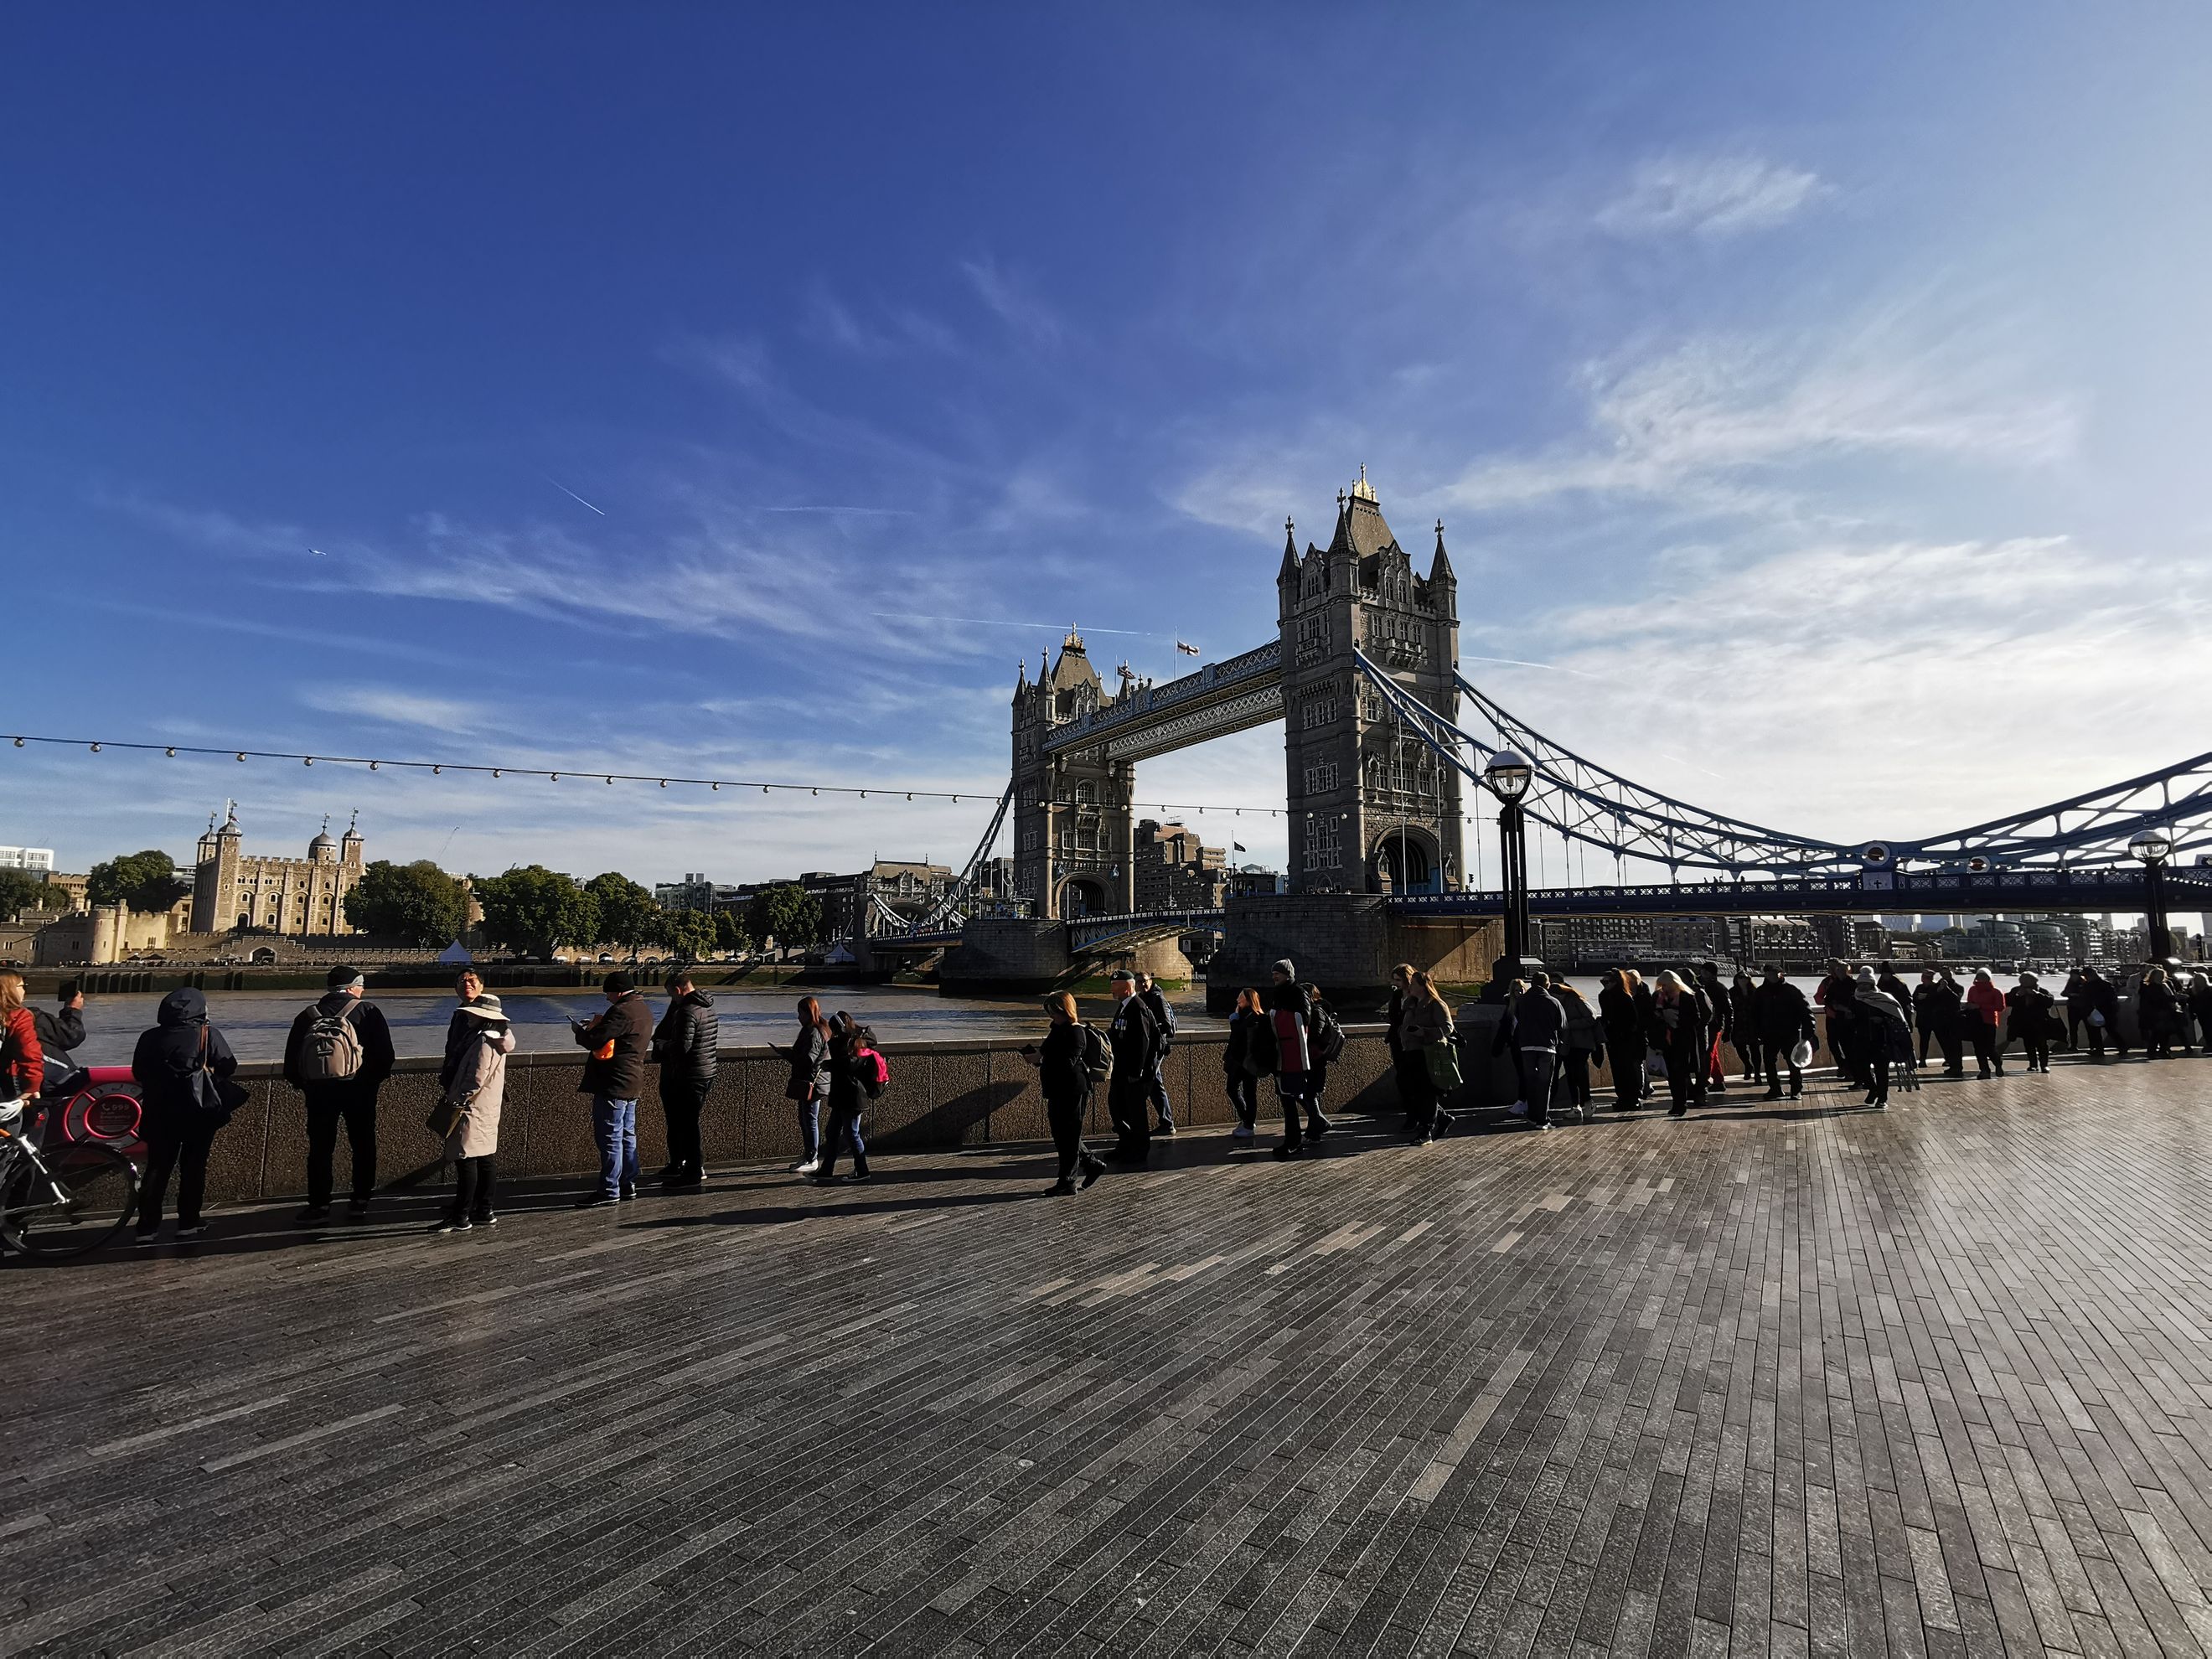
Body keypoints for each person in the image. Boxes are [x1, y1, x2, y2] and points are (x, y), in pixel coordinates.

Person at [282, 965, 396, 1225]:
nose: (363, 990)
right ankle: (360, 1201)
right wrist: (369, 1083)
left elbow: (291, 1061)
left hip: (320, 1093)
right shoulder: (368, 1011)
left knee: (320, 1149)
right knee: (363, 1145)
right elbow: (385, 1056)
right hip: (359, 1091)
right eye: (361, 985)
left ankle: (319, 1204)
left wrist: (308, 1085)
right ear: (352, 988)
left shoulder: (308, 1015)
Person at [130, 988, 235, 1243]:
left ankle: (147, 1226)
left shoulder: (149, 1037)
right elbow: (229, 1066)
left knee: (157, 1167)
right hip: (196, 1111)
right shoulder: (207, 1034)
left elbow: (138, 1071)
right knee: (194, 1166)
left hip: (158, 1111)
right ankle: (188, 1222)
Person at [432, 991, 515, 1233]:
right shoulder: (499, 1039)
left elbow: (475, 1079)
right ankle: (485, 1210)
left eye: (474, 1015)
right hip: (487, 1108)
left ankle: (461, 1216)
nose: (469, 1017)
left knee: (465, 1160)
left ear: (485, 1018)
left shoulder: (484, 1041)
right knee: (486, 1159)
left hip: (471, 1109)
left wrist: (457, 1100)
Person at [572, 971, 654, 1207]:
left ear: (618, 991)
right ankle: (627, 1184)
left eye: (608, 992)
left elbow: (595, 1041)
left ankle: (609, 1189)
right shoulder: (644, 1010)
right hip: (632, 1080)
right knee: (627, 1135)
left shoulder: (621, 1011)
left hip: (614, 1082)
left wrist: (581, 1031)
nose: (607, 997)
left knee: (610, 1138)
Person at [1021, 991, 1107, 1194]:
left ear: (1065, 1010)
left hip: (1073, 1089)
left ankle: (1067, 1182)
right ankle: (1092, 1163)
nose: (1052, 1017)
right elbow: (1046, 1054)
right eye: (1050, 1013)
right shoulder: (1057, 1029)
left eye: (1054, 1012)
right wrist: (1035, 1057)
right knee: (1063, 1135)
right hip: (1056, 1088)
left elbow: (1067, 1062)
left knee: (1068, 1135)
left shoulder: (1077, 1032)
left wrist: (1044, 1059)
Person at [651, 971, 719, 1187]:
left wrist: (662, 1045)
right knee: (688, 1122)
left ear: (678, 990)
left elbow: (682, 1047)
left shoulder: (686, 1012)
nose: (672, 999)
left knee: (688, 1124)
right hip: (705, 1071)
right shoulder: (708, 1008)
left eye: (671, 994)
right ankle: (686, 1166)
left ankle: (693, 1170)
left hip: (689, 1074)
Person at [1264, 961, 1326, 1159]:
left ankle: (1294, 1141)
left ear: (1287, 975)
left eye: (1278, 974)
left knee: (1290, 1099)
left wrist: (1275, 1016)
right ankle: (1302, 1133)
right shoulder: (1278, 993)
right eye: (1273, 973)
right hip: (1280, 1054)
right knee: (1287, 1099)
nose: (1274, 977)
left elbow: (1304, 1019)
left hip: (1293, 1055)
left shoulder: (1298, 993)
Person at [1103, 969, 1161, 1162]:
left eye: (1115, 986)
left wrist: (1136, 1072)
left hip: (1134, 1073)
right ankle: (1125, 1144)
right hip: (1121, 1069)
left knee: (1136, 1112)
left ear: (1127, 988)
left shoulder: (1138, 1008)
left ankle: (1140, 1150)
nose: (1112, 990)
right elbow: (1118, 1033)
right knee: (1117, 1107)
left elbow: (1143, 1042)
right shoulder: (1124, 1006)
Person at [809, 1012, 873, 1183]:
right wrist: (857, 1031)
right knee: (832, 1132)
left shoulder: (845, 1044)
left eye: (834, 1029)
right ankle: (827, 1169)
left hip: (851, 1097)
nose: (832, 1032)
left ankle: (862, 1170)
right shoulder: (852, 1042)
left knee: (852, 1134)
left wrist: (829, 1064)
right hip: (843, 1097)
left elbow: (845, 1064)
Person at [1398, 971, 1455, 1144]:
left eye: (1414, 984)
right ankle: (1443, 1117)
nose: (1411, 987)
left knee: (1427, 1092)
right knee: (1416, 1091)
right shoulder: (1411, 1004)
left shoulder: (1436, 1004)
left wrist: (1425, 1032)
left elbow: (1447, 1027)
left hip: (1428, 1052)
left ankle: (1426, 1131)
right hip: (1411, 1051)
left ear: (1423, 986)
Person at [1648, 970, 1708, 1118]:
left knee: (1681, 1073)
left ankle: (1680, 1104)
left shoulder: (1687, 997)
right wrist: (1663, 1016)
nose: (1665, 988)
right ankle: (1677, 1102)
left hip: (1683, 1041)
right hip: (1666, 1042)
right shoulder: (1657, 997)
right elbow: (1650, 1017)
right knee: (1672, 1075)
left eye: (1667, 985)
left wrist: (1677, 1019)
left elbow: (1696, 1019)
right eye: (1662, 985)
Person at [1512, 972, 1569, 1127]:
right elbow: (1562, 1025)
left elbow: (1518, 1018)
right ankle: (1542, 1119)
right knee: (1544, 1083)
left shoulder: (1522, 1001)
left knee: (1530, 1081)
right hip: (1547, 1046)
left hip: (1526, 1046)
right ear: (1547, 984)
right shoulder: (1553, 1002)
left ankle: (1531, 1115)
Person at [1753, 965, 1817, 1100]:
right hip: (1769, 1034)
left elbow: (1806, 1012)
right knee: (1769, 1062)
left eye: (1774, 973)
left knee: (1793, 1062)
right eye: (1768, 973)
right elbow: (1754, 1014)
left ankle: (1796, 1090)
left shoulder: (1792, 991)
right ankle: (1775, 1089)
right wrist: (1756, 1032)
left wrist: (1807, 1033)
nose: (1771, 976)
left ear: (1780, 974)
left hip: (1790, 1032)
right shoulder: (1760, 992)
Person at [784, 997, 832, 1173]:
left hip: (812, 1083)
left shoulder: (813, 1032)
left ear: (807, 1013)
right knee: (807, 1119)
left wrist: (789, 1055)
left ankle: (812, 1158)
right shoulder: (822, 1028)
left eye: (800, 1013)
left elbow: (808, 1060)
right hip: (814, 1082)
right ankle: (808, 1156)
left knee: (810, 1121)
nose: (798, 1017)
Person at [1853, 967, 1909, 1108]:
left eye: (1866, 984)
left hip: (1882, 1039)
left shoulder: (1885, 999)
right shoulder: (1854, 999)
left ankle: (1882, 1098)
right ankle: (1873, 1089)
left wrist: (1882, 1020)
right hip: (1862, 1039)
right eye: (1860, 984)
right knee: (1861, 1068)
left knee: (1881, 1071)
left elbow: (1897, 1017)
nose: (1863, 986)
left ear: (1872, 984)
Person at [1597, 969, 1647, 1110]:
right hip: (1613, 1038)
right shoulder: (1604, 996)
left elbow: (1633, 1020)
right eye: (1602, 982)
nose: (1604, 984)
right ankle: (1622, 1097)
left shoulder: (1625, 997)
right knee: (1617, 1070)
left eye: (1607, 982)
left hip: (1626, 1039)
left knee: (1628, 1069)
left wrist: (1622, 1032)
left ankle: (1633, 1097)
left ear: (1616, 982)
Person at [1134, 970, 1177, 1135]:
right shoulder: (1142, 998)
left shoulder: (1158, 998)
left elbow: (1168, 1027)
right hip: (1149, 1049)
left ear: (1151, 981)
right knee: (1154, 1085)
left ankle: (1164, 1123)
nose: (1142, 984)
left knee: (1152, 1084)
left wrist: (1151, 1032)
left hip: (1156, 1049)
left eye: (1144, 981)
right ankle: (1166, 1122)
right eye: (1138, 982)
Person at [1300, 982, 1344, 1134]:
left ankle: (1319, 1124)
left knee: (1309, 1094)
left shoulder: (1316, 1012)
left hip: (1316, 1059)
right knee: (1309, 1094)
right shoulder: (1317, 1010)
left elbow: (1315, 1036)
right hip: (1315, 1058)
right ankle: (1316, 1128)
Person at [0, 971, 43, 1131]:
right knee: (10, 1138)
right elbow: (30, 1055)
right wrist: (32, 1087)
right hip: (4, 1085)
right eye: (22, 986)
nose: (24, 990)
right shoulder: (18, 1016)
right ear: (10, 989)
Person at [31, 979, 85, 1103]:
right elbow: (71, 1036)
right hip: (48, 1088)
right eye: (22, 986)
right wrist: (72, 1010)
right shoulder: (30, 1017)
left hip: (19, 1088)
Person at [1385, 963, 1424, 1132]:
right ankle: (1411, 1115)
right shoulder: (1395, 995)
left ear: (1407, 979)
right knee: (1402, 1079)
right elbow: (1393, 1016)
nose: (1395, 983)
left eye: (1398, 980)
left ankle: (1422, 1116)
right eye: (1394, 980)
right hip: (1397, 1040)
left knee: (1415, 1080)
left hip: (1414, 1042)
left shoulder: (1417, 995)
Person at [1556, 979, 1600, 1119]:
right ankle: (1575, 1106)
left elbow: (1592, 1017)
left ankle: (1587, 1102)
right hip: (1568, 1043)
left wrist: (1571, 1024)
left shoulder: (1576, 1000)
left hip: (1582, 1043)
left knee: (1580, 1072)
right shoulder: (1558, 1003)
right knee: (1570, 1074)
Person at [1815, 959, 1863, 1089]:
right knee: (1833, 1044)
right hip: (1832, 1017)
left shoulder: (1854, 983)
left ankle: (1854, 1072)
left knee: (1851, 1046)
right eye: (1830, 968)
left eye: (1834, 967)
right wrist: (1830, 1005)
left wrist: (1848, 1009)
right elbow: (1819, 998)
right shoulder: (1828, 983)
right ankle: (1844, 1067)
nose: (1830, 970)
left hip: (1850, 1019)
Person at [1223, 986, 1264, 1140]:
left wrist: (1234, 1020)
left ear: (1247, 1000)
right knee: (1234, 1089)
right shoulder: (1246, 1016)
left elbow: (1239, 1035)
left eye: (1240, 997)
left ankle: (1248, 1125)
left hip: (1248, 1062)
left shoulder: (1254, 1017)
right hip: (1240, 1061)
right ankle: (1247, 1119)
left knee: (1248, 1093)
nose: (1237, 1000)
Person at [2006, 971, 2057, 1074]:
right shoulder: (2016, 990)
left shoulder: (2042, 991)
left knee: (2042, 1044)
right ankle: (2033, 1064)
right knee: (2029, 1044)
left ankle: (2044, 1065)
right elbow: (2008, 1001)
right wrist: (2018, 995)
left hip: (2039, 1022)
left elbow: (2049, 1002)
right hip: (2023, 1022)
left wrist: (2036, 995)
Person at [1695, 963, 1733, 1094]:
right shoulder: (1698, 986)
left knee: (1708, 1053)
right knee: (1712, 1052)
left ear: (1712, 973)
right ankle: (1718, 1081)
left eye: (1707, 971)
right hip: (1704, 1024)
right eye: (1703, 970)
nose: (1704, 973)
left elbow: (1728, 1011)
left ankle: (1704, 1081)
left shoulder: (1719, 988)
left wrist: (1728, 1029)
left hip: (1714, 1025)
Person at [1963, 969, 2006, 1078]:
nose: (1981, 979)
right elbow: (1969, 1003)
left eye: (1984, 977)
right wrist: (1969, 1007)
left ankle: (1997, 1063)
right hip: (1975, 1022)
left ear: (1989, 978)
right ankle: (1984, 1070)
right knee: (1978, 1048)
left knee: (1989, 1047)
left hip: (1989, 1022)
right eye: (1979, 977)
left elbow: (2000, 1007)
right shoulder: (1972, 990)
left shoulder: (1996, 991)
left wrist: (1980, 1006)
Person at [2139, 966, 2179, 1060]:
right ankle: (2158, 1050)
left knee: (2162, 1032)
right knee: (2159, 1032)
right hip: (2156, 1013)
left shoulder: (2163, 985)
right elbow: (2156, 999)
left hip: (2164, 1012)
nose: (2161, 977)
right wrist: (2172, 999)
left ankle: (2157, 1050)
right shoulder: (2150, 987)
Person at [1730, 970, 1763, 1083]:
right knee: (1740, 1048)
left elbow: (1761, 1008)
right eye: (1740, 977)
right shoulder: (1732, 992)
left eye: (1745, 977)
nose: (1743, 979)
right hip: (1739, 1023)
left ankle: (1758, 1074)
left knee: (1755, 1049)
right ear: (1736, 979)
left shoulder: (1755, 992)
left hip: (1753, 1024)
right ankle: (1748, 1065)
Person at [2061, 963, 2091, 1052]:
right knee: (2073, 1028)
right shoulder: (2071, 982)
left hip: (2083, 1007)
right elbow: (2063, 993)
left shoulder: (2084, 982)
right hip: (2073, 1008)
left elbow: (2088, 994)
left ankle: (2093, 1045)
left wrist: (2076, 995)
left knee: (2089, 1028)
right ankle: (2073, 1045)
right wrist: (2071, 994)